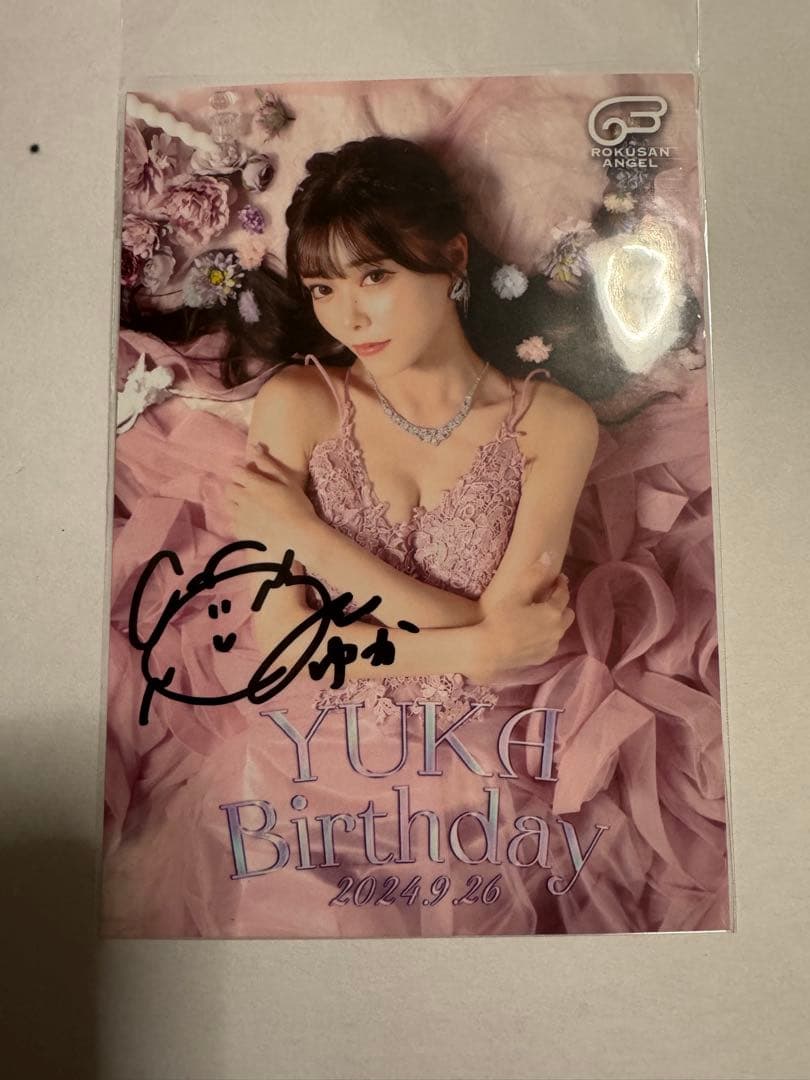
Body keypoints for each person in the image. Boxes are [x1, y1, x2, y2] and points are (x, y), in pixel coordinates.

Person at [105, 135, 700, 938]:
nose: (348, 316)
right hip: (312, 758)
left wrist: (308, 538)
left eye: (375, 277)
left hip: (490, 764)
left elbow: (515, 639)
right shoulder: (300, 404)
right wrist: (475, 646)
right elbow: (286, 643)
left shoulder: (553, 424)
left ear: (452, 257)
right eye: (323, 287)